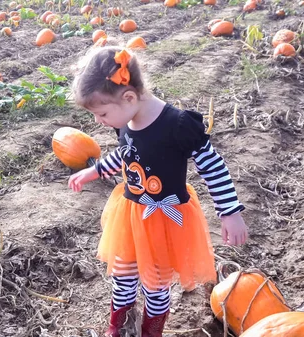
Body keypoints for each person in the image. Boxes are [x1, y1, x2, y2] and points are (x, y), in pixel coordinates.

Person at [67, 46, 249, 337]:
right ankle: (120, 327)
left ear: (128, 97)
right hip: (129, 215)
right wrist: (95, 170)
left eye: (101, 113)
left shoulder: (177, 125)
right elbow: (127, 154)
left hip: (165, 218)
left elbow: (212, 167)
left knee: (155, 284)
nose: (98, 121)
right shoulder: (126, 118)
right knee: (123, 276)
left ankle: (151, 332)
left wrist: (230, 213)